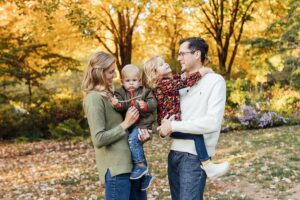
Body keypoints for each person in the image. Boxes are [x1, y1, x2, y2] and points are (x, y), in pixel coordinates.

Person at [158, 37, 229, 199]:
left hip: (195, 156)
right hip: (174, 153)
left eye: (182, 54)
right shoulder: (177, 83)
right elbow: (168, 116)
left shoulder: (215, 81)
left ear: (197, 54)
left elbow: (212, 122)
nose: (178, 58)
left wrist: (173, 126)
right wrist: (164, 131)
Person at [143, 55, 229, 179]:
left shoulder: (168, 81)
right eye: (161, 65)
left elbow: (179, 79)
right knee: (196, 135)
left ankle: (208, 165)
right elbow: (183, 83)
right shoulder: (163, 85)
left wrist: (184, 74)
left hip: (173, 126)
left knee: (195, 135)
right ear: (156, 74)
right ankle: (207, 165)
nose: (166, 64)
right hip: (170, 126)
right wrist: (201, 72)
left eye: (165, 62)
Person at [82, 51, 150, 199]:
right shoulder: (93, 99)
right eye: (111, 72)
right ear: (99, 72)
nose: (115, 76)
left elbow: (125, 130)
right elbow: (98, 139)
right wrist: (126, 123)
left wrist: (139, 136)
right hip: (116, 170)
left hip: (133, 168)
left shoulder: (112, 96)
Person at [111, 64, 156, 190]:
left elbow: (154, 103)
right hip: (131, 125)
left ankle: (141, 165)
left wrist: (146, 105)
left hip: (143, 123)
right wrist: (117, 105)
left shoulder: (145, 91)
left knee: (132, 140)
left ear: (139, 80)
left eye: (134, 80)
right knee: (135, 145)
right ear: (122, 81)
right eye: (128, 81)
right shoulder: (120, 93)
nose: (131, 83)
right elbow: (122, 107)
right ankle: (146, 175)